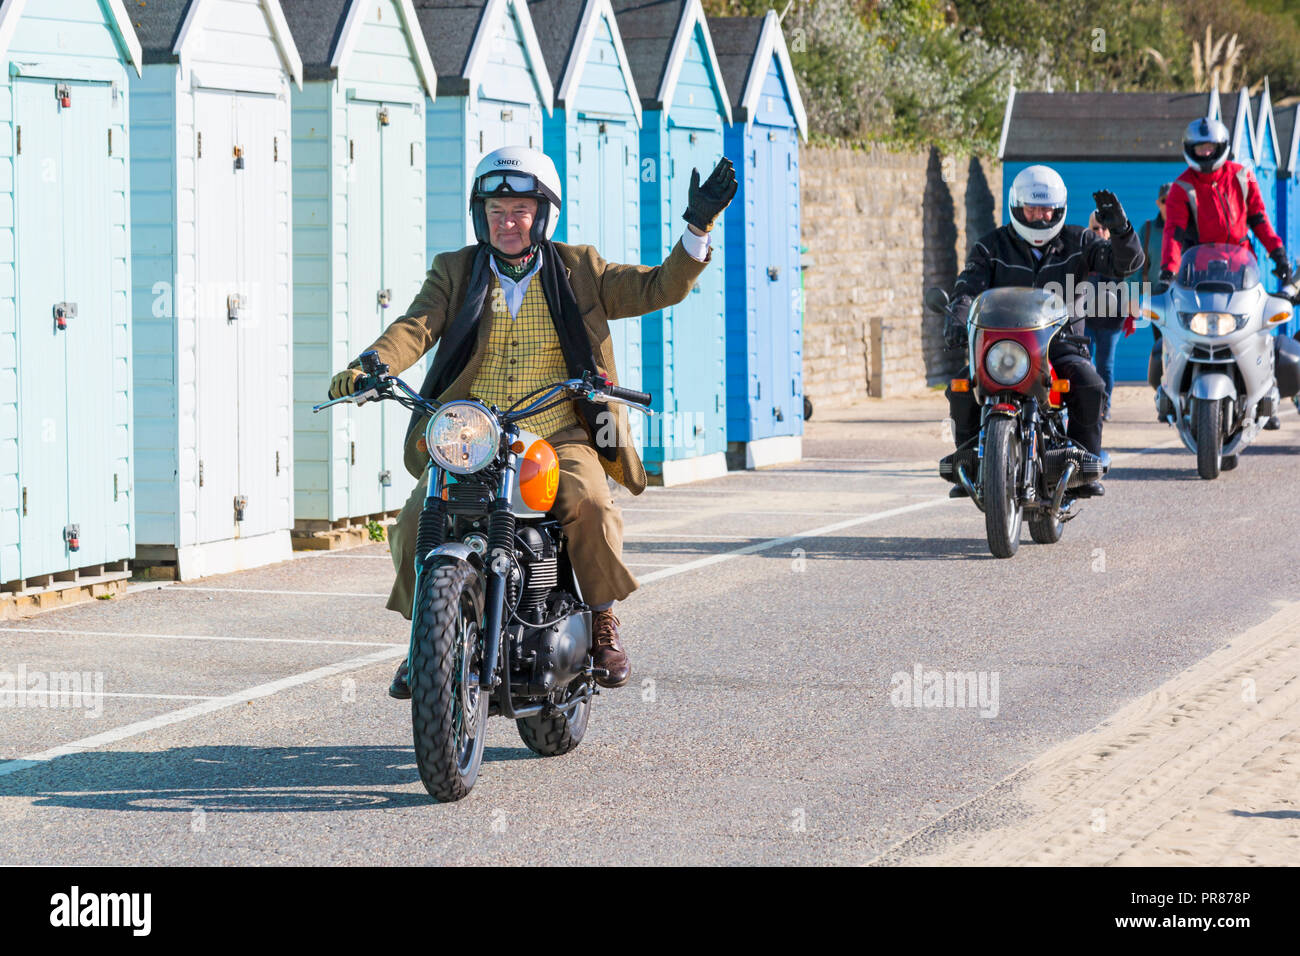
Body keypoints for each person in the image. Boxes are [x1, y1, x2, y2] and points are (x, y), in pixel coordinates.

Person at [327, 146, 736, 697]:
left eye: (519, 209)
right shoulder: (456, 271)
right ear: (480, 217)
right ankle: (425, 643)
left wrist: (697, 226)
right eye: (496, 210)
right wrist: (369, 366)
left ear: (543, 214)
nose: (507, 221)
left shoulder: (580, 270)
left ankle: (600, 616)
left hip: (558, 431)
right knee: (412, 520)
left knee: (589, 503)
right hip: (471, 434)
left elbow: (659, 286)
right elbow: (415, 327)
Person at [941, 164, 1145, 498]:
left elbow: (1126, 264)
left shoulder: (1080, 241)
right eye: (1032, 208)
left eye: (1046, 208)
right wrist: (957, 318)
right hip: (1004, 346)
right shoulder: (991, 246)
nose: (1039, 216)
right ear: (1017, 207)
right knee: (962, 387)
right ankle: (973, 463)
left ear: (1059, 208)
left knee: (1091, 385)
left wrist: (1121, 230)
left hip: (1061, 343)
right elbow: (967, 288)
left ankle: (1082, 465)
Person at [1159, 117, 1292, 429]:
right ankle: (1171, 390)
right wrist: (1168, 270)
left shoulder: (1242, 176)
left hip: (1241, 269)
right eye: (1199, 148)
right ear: (1189, 150)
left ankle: (1265, 394)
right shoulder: (1181, 187)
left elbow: (1260, 219)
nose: (1205, 154)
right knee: (1175, 326)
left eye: (1210, 148)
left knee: (1260, 325)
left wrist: (1279, 254)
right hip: (1199, 273)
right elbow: (1174, 232)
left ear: (1221, 147)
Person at [1084, 210, 1123, 421]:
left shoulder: (1118, 253)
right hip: (1087, 320)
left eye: (1103, 228)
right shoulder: (1084, 252)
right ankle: (1089, 404)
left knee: (1105, 365)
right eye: (1095, 228)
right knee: (1084, 363)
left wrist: (1129, 314)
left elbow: (1128, 283)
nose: (1100, 232)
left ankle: (1104, 406)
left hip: (1111, 322)